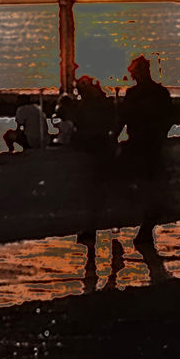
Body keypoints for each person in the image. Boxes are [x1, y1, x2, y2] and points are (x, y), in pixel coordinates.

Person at [118, 55, 175, 249]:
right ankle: (146, 226)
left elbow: (122, 119)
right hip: (153, 145)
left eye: (133, 72)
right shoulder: (160, 92)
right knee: (151, 187)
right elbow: (169, 118)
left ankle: (144, 226)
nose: (131, 75)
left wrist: (113, 138)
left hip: (140, 146)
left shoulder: (134, 94)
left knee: (137, 185)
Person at [68, 75, 119, 246]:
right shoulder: (104, 102)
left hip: (94, 150)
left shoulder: (86, 106)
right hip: (105, 148)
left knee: (94, 192)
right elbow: (114, 124)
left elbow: (80, 128)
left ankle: (93, 228)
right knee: (106, 189)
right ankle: (112, 222)